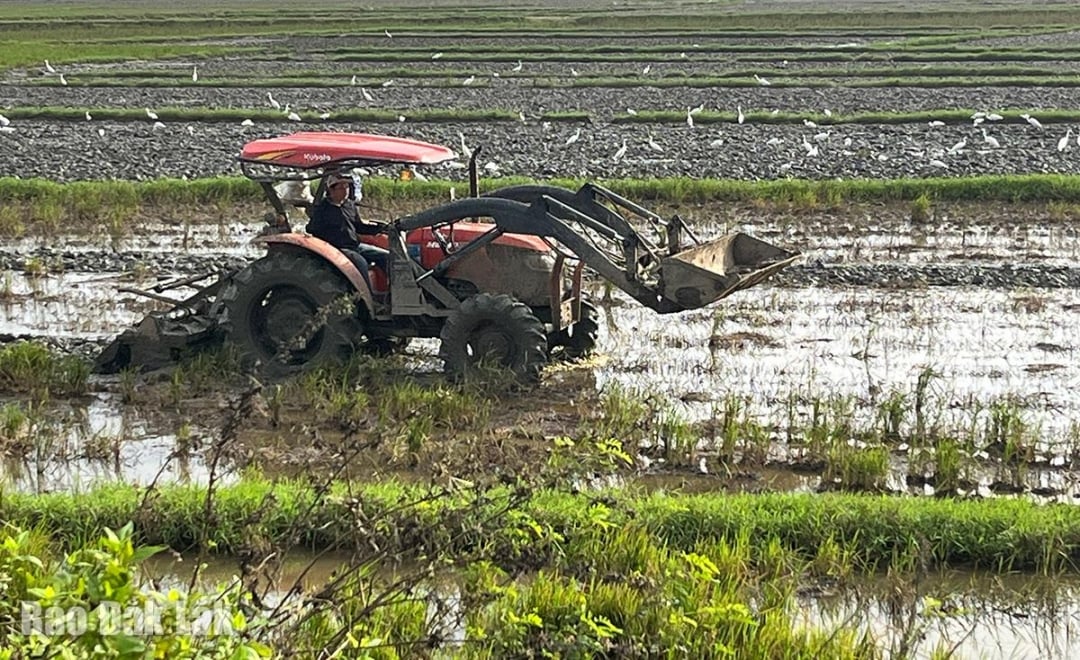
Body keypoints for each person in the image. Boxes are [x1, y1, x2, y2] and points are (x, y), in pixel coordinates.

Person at [306, 171, 390, 293]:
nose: (345, 190)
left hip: (355, 245)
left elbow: (359, 227)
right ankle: (366, 296)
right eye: (341, 187)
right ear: (331, 190)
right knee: (360, 263)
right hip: (337, 248)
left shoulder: (349, 205)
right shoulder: (322, 209)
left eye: (346, 187)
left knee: (386, 256)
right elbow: (312, 229)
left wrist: (380, 229)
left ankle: (391, 290)